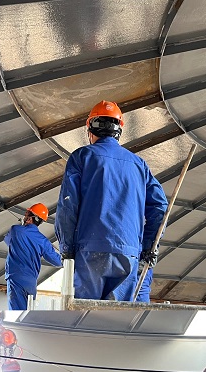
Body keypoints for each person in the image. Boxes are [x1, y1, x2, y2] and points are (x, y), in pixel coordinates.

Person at [55, 100, 167, 301]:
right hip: (128, 254)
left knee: (85, 313)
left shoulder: (82, 157)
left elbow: (67, 206)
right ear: (119, 130)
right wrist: (147, 248)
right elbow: (160, 207)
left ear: (90, 130)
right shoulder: (139, 165)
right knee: (119, 315)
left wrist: (67, 249)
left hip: (89, 251)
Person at [5, 203, 62, 310]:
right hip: (31, 282)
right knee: (29, 310)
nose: (24, 217)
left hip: (16, 278)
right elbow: (58, 262)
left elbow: (8, 242)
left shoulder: (16, 230)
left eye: (26, 214)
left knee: (16, 311)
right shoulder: (43, 241)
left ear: (30, 218)